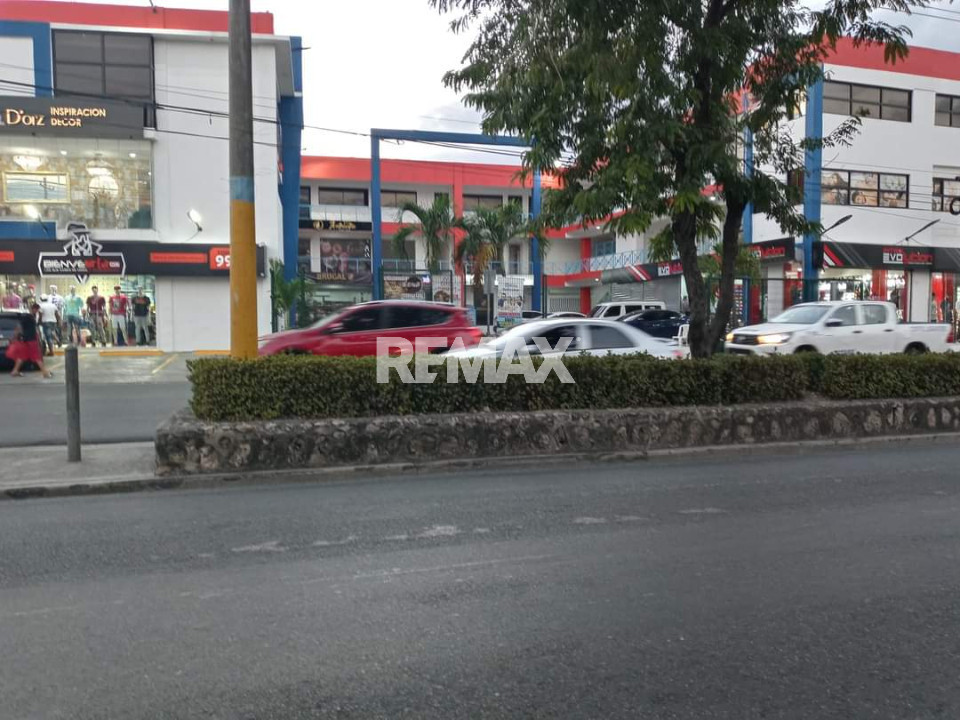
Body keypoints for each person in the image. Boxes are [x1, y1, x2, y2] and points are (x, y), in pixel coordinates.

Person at [5, 303, 53, 378]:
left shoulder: (30, 316)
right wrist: (14, 337)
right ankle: (45, 372)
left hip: (25, 339)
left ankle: (15, 371)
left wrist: (15, 337)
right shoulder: (28, 317)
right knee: (37, 356)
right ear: (34, 309)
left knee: (22, 356)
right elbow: (19, 327)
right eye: (36, 310)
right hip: (31, 339)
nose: (37, 312)